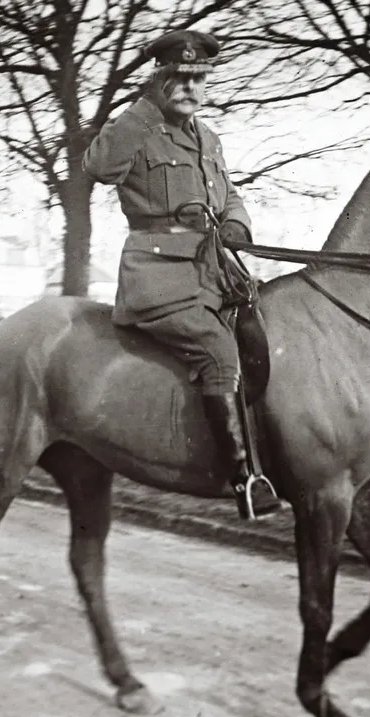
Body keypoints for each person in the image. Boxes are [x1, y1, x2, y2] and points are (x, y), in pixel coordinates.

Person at [83, 29, 276, 519]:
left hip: (211, 274)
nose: (191, 87)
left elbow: (229, 194)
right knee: (218, 352)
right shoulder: (138, 127)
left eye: (199, 79)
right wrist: (146, 108)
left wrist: (235, 222)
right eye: (179, 77)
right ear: (160, 80)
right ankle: (243, 479)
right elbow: (99, 166)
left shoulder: (208, 138)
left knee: (264, 334)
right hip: (157, 278)